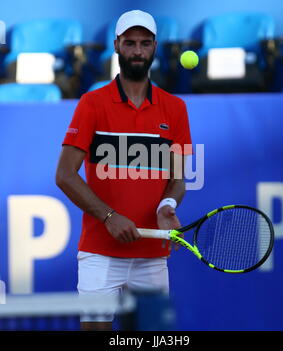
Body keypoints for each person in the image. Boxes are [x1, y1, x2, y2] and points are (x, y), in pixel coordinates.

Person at [55, 9, 192, 331]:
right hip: (99, 252)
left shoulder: (175, 108)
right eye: (130, 43)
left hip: (152, 253)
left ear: (155, 47)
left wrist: (167, 205)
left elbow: (177, 179)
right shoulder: (92, 103)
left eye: (145, 44)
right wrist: (109, 216)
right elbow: (64, 174)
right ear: (116, 45)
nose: (137, 52)